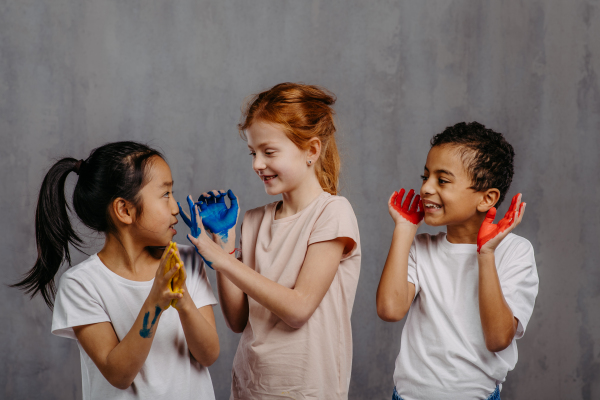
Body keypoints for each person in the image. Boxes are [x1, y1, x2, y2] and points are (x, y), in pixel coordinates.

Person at [179, 83, 361, 399]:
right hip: (251, 387)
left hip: (310, 392)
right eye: (253, 152)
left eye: (269, 152)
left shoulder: (333, 213)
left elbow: (299, 308)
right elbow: (236, 321)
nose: (257, 165)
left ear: (312, 150)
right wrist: (225, 243)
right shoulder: (252, 221)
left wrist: (221, 260)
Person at [13, 141, 219, 400]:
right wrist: (154, 303)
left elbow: (209, 354)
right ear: (125, 210)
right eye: (166, 194)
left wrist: (184, 301)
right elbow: (119, 374)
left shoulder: (185, 260)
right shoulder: (81, 284)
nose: (176, 208)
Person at [376, 122, 539, 400]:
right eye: (425, 176)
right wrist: (404, 230)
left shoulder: (516, 251)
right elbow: (390, 310)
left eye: (442, 180)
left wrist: (486, 254)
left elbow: (498, 338)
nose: (425, 188)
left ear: (486, 198)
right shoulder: (421, 248)